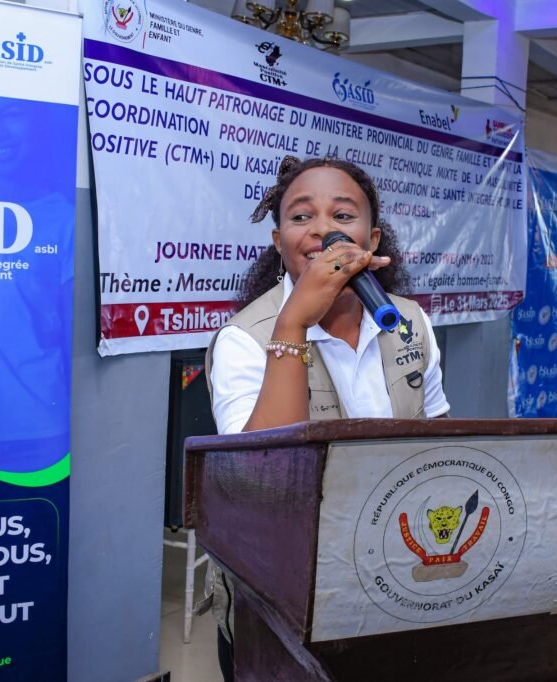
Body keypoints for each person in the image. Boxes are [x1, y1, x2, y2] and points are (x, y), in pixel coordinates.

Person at [206, 156, 450, 680]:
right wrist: (293, 323)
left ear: (371, 239)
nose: (323, 229)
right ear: (279, 242)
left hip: (391, 579)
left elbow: (437, 446)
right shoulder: (242, 340)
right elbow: (261, 482)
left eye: (342, 215)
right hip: (283, 596)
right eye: (301, 216)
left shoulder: (409, 321)